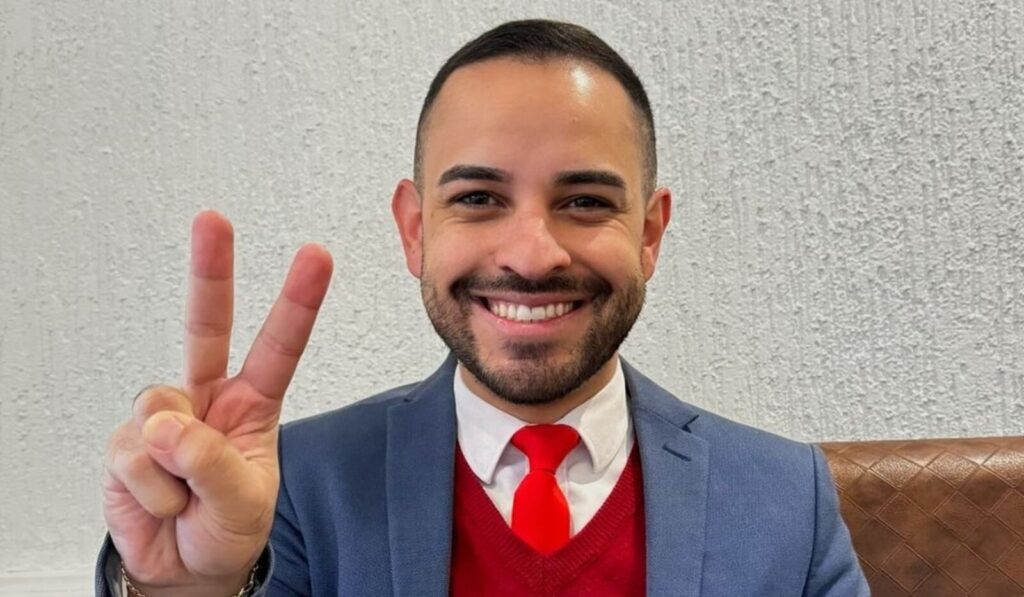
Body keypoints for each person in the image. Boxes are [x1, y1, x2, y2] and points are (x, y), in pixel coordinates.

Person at [97, 19, 869, 596]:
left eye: (584, 200)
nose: (532, 254)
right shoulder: (298, 490)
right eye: (477, 197)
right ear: (415, 229)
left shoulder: (783, 499)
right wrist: (186, 592)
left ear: (649, 233)